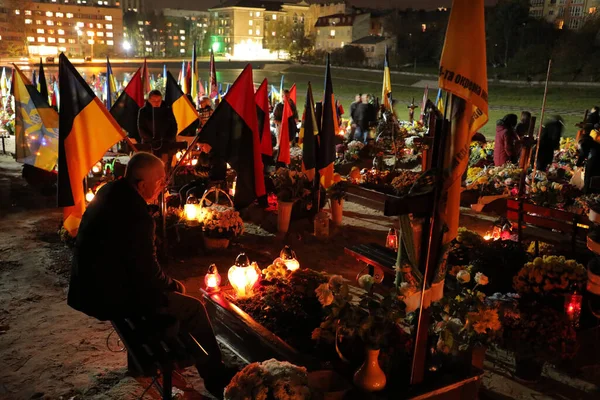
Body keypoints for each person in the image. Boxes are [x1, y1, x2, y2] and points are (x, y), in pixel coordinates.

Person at [67, 153, 234, 397]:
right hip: (110, 297)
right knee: (194, 308)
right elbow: (149, 275)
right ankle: (216, 379)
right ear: (142, 184)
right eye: (159, 182)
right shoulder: (137, 216)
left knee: (170, 305)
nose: (163, 187)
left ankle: (165, 357)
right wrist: (174, 285)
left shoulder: (109, 192)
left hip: (89, 288)